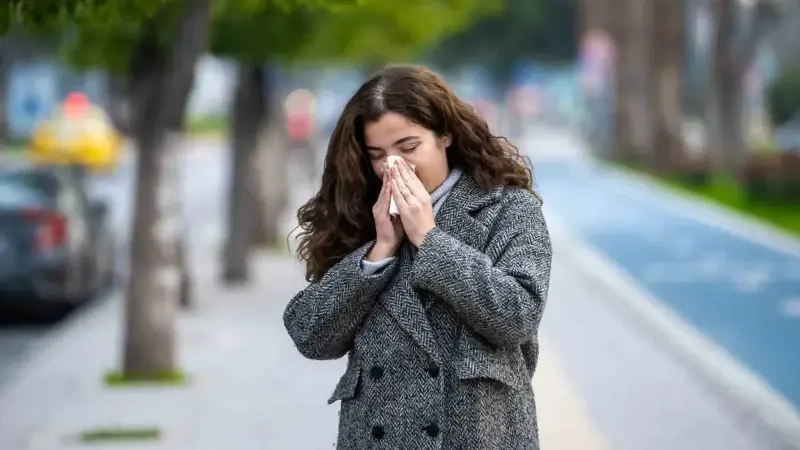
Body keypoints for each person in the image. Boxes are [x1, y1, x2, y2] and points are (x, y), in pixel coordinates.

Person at [283, 64, 552, 450]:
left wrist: (429, 238)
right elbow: (309, 335)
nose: (393, 166)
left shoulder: (507, 208)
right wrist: (379, 252)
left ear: (445, 135)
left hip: (480, 436)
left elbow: (517, 316)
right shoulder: (362, 213)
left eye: (408, 147)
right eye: (377, 154)